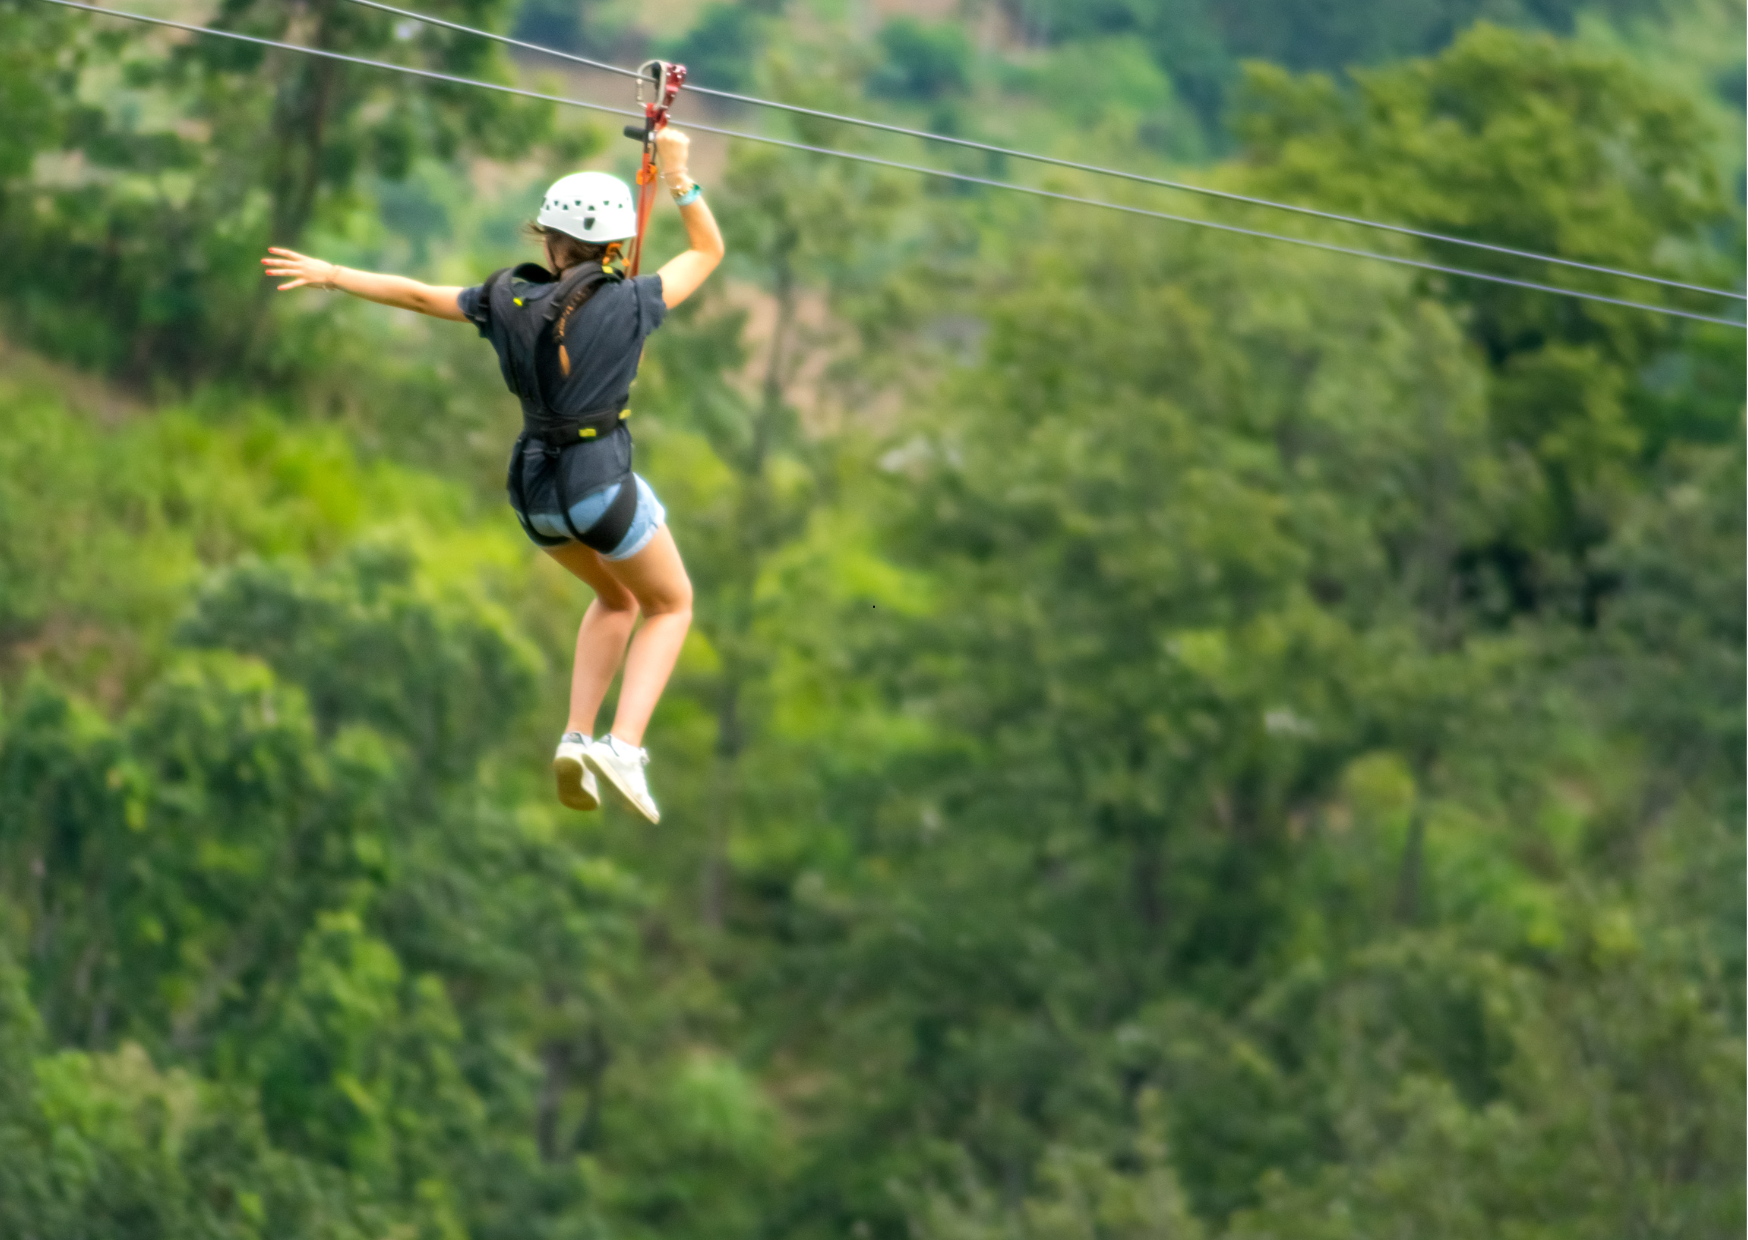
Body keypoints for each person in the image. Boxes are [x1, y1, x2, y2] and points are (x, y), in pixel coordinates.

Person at [262, 129, 723, 824]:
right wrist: (679, 175)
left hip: (535, 496)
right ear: (616, 247)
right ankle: (623, 746)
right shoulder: (635, 301)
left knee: (616, 599)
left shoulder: (506, 299)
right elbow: (707, 251)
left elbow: (419, 296)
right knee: (670, 605)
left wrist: (333, 273)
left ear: (550, 243)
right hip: (599, 485)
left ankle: (576, 737)